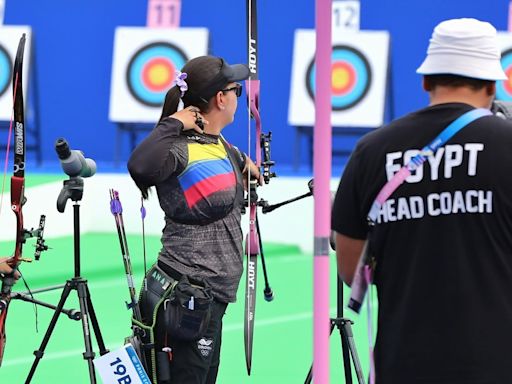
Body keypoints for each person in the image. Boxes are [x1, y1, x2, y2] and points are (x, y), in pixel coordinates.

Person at [332, 18, 512, 384]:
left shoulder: (371, 151)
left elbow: (351, 269)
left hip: (404, 362)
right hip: (497, 361)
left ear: (426, 80)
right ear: (494, 84)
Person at [127, 55, 260, 384]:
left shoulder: (220, 144)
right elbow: (140, 167)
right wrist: (173, 123)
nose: (237, 97)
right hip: (185, 297)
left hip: (210, 299)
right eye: (236, 91)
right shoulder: (179, 149)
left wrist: (247, 165)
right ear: (220, 98)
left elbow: (222, 159)